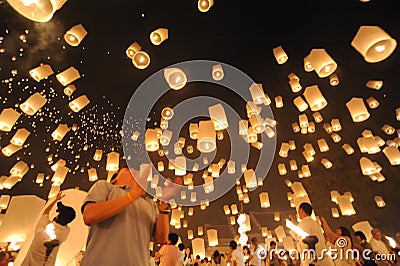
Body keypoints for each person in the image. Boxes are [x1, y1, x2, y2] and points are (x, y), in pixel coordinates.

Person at [80, 166, 182, 266]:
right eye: (128, 170)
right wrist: (134, 194)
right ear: (114, 181)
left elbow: (161, 239)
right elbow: (90, 215)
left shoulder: (150, 204)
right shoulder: (106, 187)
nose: (134, 171)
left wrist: (164, 202)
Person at [21, 192, 76, 266]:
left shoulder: (43, 226)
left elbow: (46, 212)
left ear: (58, 216)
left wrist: (55, 200)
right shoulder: (64, 233)